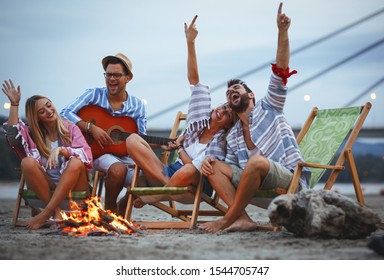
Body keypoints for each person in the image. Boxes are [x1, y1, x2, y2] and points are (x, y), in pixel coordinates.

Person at [199, 2, 311, 233]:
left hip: (288, 180)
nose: (231, 93)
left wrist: (282, 32)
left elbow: (281, 69)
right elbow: (228, 166)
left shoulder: (270, 107)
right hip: (255, 186)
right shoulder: (235, 135)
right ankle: (242, 218)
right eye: (228, 93)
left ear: (250, 94)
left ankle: (226, 219)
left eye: (237, 89)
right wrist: (210, 160)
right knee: (214, 167)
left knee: (257, 162)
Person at [121, 15, 236, 207]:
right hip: (170, 174)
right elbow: (194, 80)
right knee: (132, 139)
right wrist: (190, 42)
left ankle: (158, 194)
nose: (221, 111)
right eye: (223, 106)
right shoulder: (197, 125)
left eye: (227, 114)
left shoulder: (220, 142)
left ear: (228, 124)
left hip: (193, 186)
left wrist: (180, 147)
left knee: (188, 170)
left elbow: (194, 167)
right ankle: (165, 190)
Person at [60, 53, 146, 214]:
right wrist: (90, 128)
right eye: (108, 74)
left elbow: (142, 137)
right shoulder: (93, 94)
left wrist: (165, 144)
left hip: (126, 155)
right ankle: (110, 208)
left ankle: (121, 205)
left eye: (117, 75)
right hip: (97, 153)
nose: (111, 79)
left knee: (147, 180)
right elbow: (64, 113)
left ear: (128, 78)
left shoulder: (138, 105)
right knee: (118, 169)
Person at [2, 79, 93, 230]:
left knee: (76, 161)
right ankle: (55, 212)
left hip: (74, 188)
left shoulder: (71, 128)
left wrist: (61, 150)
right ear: (36, 117)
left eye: (49, 106)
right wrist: (14, 105)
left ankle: (45, 214)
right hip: (46, 188)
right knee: (27, 162)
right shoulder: (31, 134)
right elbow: (13, 137)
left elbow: (86, 155)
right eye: (42, 111)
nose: (49, 111)